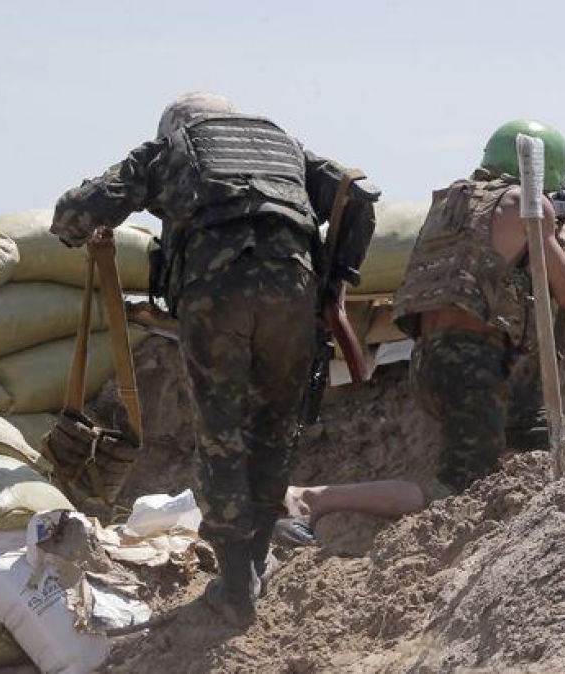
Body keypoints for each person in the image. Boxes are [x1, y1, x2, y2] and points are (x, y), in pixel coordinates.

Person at [50, 91, 378, 628]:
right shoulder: (283, 144)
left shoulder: (172, 147)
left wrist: (78, 231)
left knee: (221, 433)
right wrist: (335, 282)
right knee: (275, 428)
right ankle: (253, 563)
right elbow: (358, 199)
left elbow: (74, 212)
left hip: (216, 292)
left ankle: (234, 586)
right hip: (292, 290)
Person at [392, 119, 565, 495]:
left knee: (499, 462)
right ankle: (314, 500)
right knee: (455, 493)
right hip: (471, 365)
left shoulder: (452, 201)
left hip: (426, 360)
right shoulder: (526, 203)